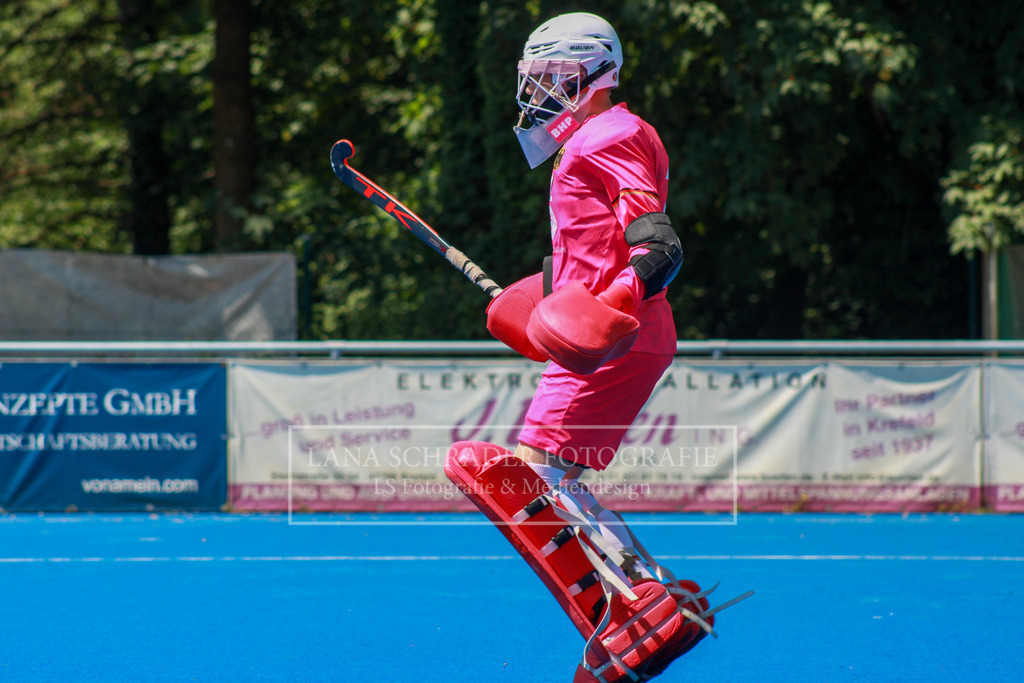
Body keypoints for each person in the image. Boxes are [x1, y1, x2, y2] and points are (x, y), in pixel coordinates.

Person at [448, 12, 746, 682]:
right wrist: (537, 296)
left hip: (615, 334)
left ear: (591, 74)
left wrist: (605, 308)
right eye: (537, 77)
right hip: (614, 331)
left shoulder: (605, 135)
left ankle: (642, 602)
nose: (539, 90)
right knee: (552, 473)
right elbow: (590, 252)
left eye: (553, 76)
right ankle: (650, 596)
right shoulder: (595, 139)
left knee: (536, 473)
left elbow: (658, 248)